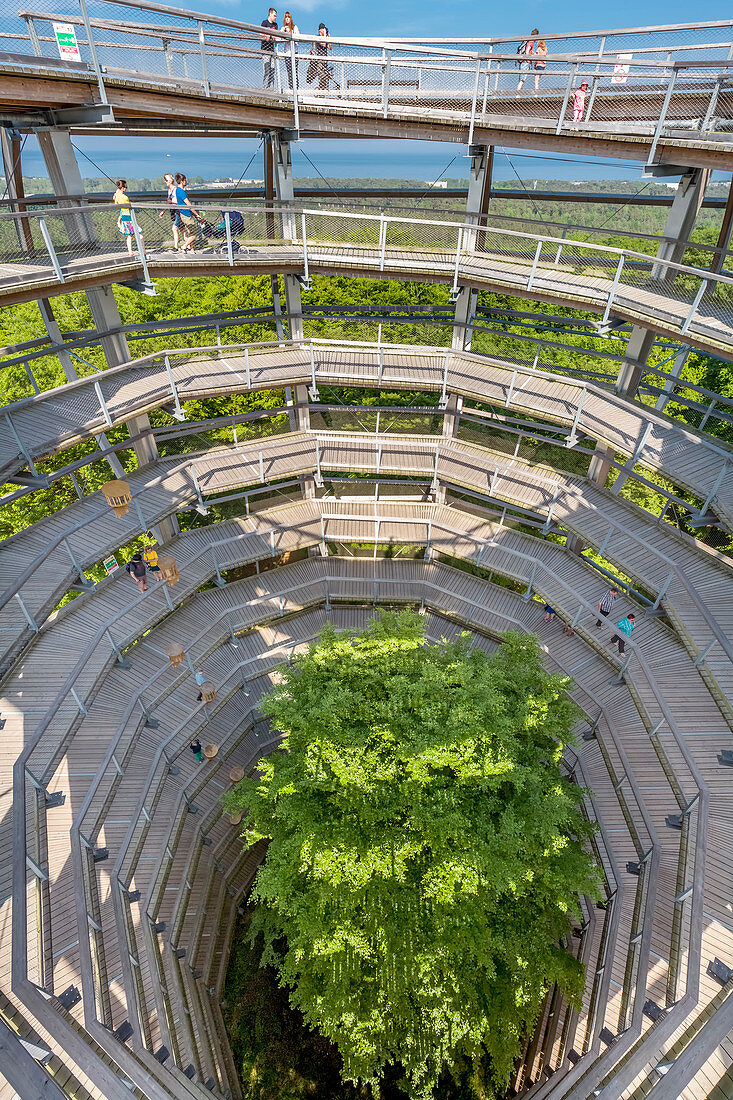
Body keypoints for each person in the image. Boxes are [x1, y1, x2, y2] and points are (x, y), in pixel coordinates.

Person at [114, 179, 143, 258]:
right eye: (126, 187)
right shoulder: (125, 197)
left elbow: (116, 202)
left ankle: (130, 252)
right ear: (123, 188)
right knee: (140, 234)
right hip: (129, 217)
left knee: (129, 235)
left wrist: (116, 193)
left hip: (123, 216)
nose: (126, 188)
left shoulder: (117, 196)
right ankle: (143, 251)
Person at [173, 173, 202, 252]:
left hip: (183, 214)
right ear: (182, 181)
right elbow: (188, 204)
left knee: (190, 233)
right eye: (185, 180)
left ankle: (192, 250)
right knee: (194, 234)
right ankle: (184, 246)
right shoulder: (181, 192)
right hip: (187, 215)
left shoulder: (177, 190)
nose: (186, 182)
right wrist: (196, 214)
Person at [159, 172, 180, 250]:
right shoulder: (169, 190)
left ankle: (176, 246)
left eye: (166, 180)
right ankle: (187, 246)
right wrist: (163, 211)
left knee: (174, 228)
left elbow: (179, 202)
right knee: (181, 229)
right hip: (173, 210)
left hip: (177, 210)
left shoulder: (175, 190)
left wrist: (171, 202)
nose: (165, 182)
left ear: (170, 181)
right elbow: (168, 202)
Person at [261, 7, 278, 89]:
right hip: (265, 50)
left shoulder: (275, 25)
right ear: (270, 14)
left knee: (272, 70)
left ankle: (271, 89)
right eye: (274, 15)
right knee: (267, 70)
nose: (275, 17)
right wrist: (268, 35)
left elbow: (275, 36)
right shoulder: (264, 23)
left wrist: (269, 35)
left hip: (272, 50)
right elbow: (262, 34)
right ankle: (265, 88)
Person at [282, 10, 299, 89]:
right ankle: (291, 88)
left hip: (294, 52)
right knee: (289, 72)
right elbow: (279, 37)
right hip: (287, 53)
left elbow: (298, 36)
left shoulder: (294, 27)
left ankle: (296, 88)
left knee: (294, 72)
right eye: (286, 17)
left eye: (288, 17)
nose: (287, 19)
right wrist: (284, 32)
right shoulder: (283, 28)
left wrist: (290, 33)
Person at [313, 23, 331, 90]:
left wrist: (329, 39)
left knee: (325, 76)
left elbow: (330, 47)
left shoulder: (326, 38)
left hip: (325, 59)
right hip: (319, 59)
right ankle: (320, 90)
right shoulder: (317, 37)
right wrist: (325, 37)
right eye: (323, 29)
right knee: (321, 75)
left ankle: (323, 90)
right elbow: (322, 44)